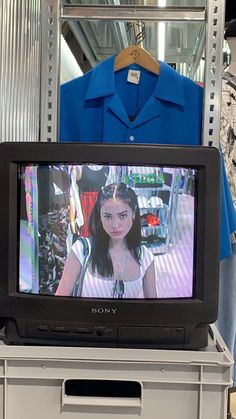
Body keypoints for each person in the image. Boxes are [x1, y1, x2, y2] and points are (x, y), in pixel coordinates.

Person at [56, 183, 157, 299]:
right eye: (108, 217)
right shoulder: (81, 250)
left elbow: (152, 310)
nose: (115, 225)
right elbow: (58, 303)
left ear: (133, 214)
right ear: (100, 216)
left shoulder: (146, 258)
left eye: (122, 216)